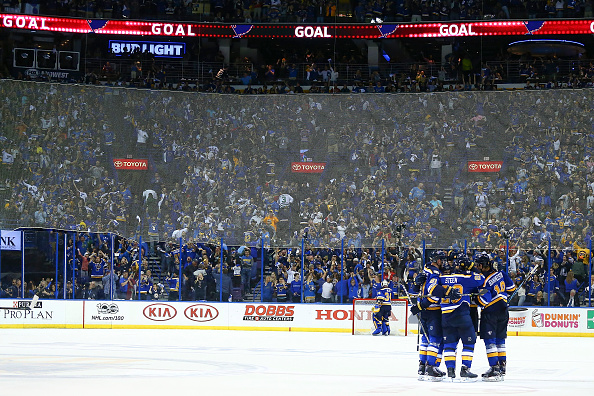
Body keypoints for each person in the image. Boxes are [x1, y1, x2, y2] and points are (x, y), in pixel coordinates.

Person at [428, 254, 489, 382]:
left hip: (445, 316)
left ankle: (450, 370)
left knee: (449, 344)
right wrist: (472, 267)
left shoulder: (442, 278)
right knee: (469, 341)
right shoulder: (466, 278)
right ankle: (465, 369)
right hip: (461, 314)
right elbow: (482, 278)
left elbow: (431, 288)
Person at [475, 253, 515, 381]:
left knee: (490, 341)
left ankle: (494, 368)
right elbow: (511, 288)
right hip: (504, 311)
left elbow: (483, 301)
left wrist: (474, 297)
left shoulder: (484, 280)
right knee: (500, 340)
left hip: (490, 313)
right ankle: (502, 367)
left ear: (482, 265)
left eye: (478, 264)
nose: (476, 266)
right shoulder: (501, 274)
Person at [410, 251, 447, 380]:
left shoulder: (425, 269)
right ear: (437, 260)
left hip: (423, 310)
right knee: (435, 339)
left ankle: (422, 365)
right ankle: (431, 366)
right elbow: (433, 294)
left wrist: (415, 285)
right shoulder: (435, 273)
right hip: (432, 310)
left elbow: (415, 290)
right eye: (442, 260)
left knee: (425, 339)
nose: (444, 262)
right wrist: (421, 305)